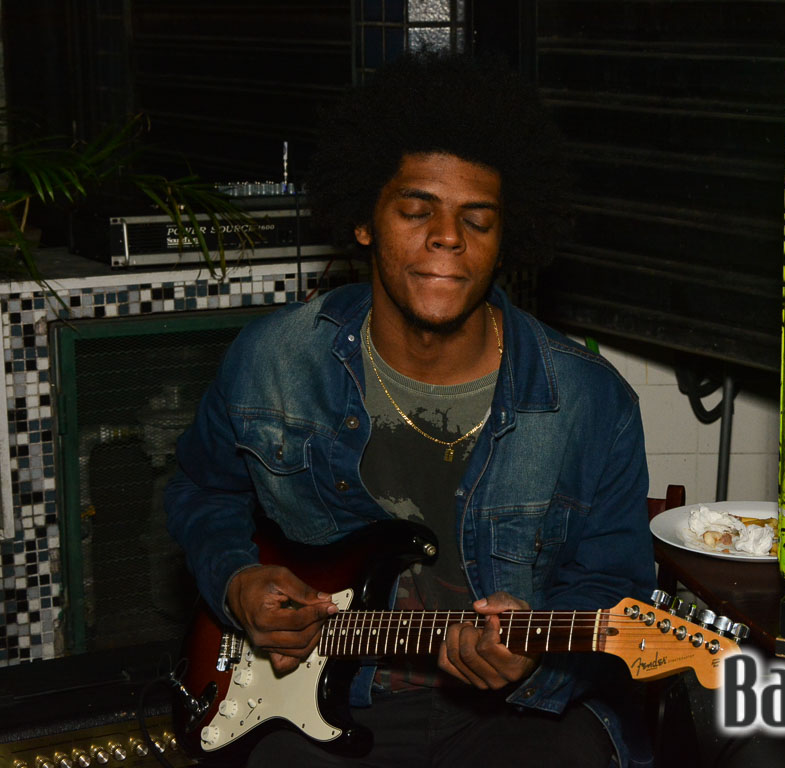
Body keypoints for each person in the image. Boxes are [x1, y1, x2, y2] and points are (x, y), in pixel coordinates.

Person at [165, 52, 656, 768]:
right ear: (366, 221)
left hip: (514, 713)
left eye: (477, 220)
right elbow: (203, 489)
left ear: (504, 241)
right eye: (416, 210)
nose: (447, 237)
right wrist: (236, 580)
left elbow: (613, 588)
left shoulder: (590, 400)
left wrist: (535, 652)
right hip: (315, 700)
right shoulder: (273, 360)